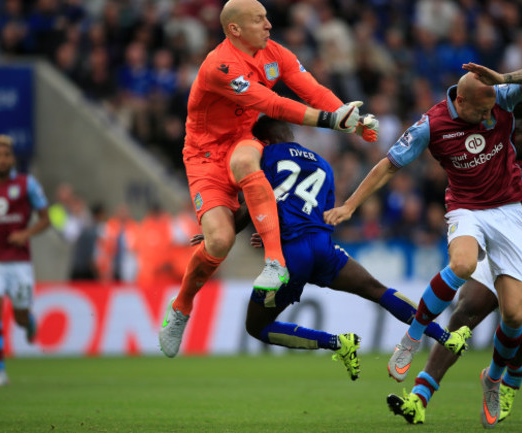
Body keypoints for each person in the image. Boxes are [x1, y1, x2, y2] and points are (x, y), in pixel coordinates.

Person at [325, 63, 522, 428]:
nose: (485, 118)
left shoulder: (500, 97)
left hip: (509, 209)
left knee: (514, 315)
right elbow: (388, 165)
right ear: (460, 100)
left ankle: (493, 377)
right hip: (465, 208)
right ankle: (413, 335)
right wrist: (350, 205)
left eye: (488, 112)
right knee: (461, 264)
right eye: (479, 111)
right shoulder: (430, 125)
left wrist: (503, 80)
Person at [158, 0, 378, 358]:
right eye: (259, 20)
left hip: (242, 141)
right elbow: (273, 104)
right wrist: (329, 121)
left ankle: (274, 264)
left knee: (247, 159)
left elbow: (311, 88)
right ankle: (181, 307)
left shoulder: (274, 52)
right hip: (204, 157)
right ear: (235, 29)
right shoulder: (220, 66)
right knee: (218, 241)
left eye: (266, 18)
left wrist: (348, 115)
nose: (269, 25)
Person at [192, 116, 470, 379]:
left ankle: (337, 343)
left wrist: (221, 234)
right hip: (323, 248)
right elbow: (319, 214)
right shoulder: (323, 165)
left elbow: (254, 201)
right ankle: (446, 336)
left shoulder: (265, 157)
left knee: (256, 327)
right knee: (377, 290)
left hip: (292, 255)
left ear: (262, 141)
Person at [385, 100, 522, 425]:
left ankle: (506, 378)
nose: (500, 135)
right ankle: (419, 397)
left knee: (521, 307)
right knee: (466, 310)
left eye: (511, 132)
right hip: (498, 243)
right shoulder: (492, 150)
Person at [0, 134, 50, 387]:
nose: (1, 160)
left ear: (12, 158)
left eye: (6, 155)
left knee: (19, 317)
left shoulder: (26, 184)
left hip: (19, 261)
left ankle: (28, 322)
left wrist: (26, 233)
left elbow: (46, 219)